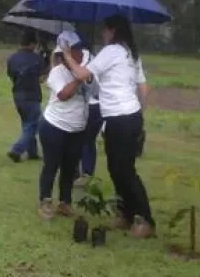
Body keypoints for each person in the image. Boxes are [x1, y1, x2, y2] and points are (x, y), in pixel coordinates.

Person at [61, 14, 154, 239]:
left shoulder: (112, 51)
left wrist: (67, 55)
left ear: (112, 30)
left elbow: (81, 74)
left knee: (124, 170)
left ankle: (145, 219)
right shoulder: (131, 53)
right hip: (125, 116)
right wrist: (140, 116)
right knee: (116, 168)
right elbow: (143, 88)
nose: (103, 34)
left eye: (105, 30)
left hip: (121, 117)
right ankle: (126, 214)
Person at [37, 32, 90, 219]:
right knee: (51, 165)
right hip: (55, 126)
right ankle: (45, 201)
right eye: (75, 50)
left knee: (70, 167)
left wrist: (82, 73)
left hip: (77, 129)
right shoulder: (57, 72)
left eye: (80, 48)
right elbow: (63, 95)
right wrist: (78, 78)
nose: (80, 53)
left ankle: (65, 203)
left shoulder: (85, 69)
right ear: (65, 54)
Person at [5, 30, 48, 162]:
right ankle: (16, 150)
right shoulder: (37, 59)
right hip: (32, 95)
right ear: (32, 43)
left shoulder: (12, 58)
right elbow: (42, 79)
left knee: (27, 123)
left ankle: (32, 152)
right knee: (33, 125)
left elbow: (11, 75)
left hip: (17, 95)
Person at [75, 46, 103, 186]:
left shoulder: (86, 62)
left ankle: (85, 173)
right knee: (86, 140)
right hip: (95, 105)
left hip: (93, 105)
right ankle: (83, 173)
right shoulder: (94, 59)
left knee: (85, 139)